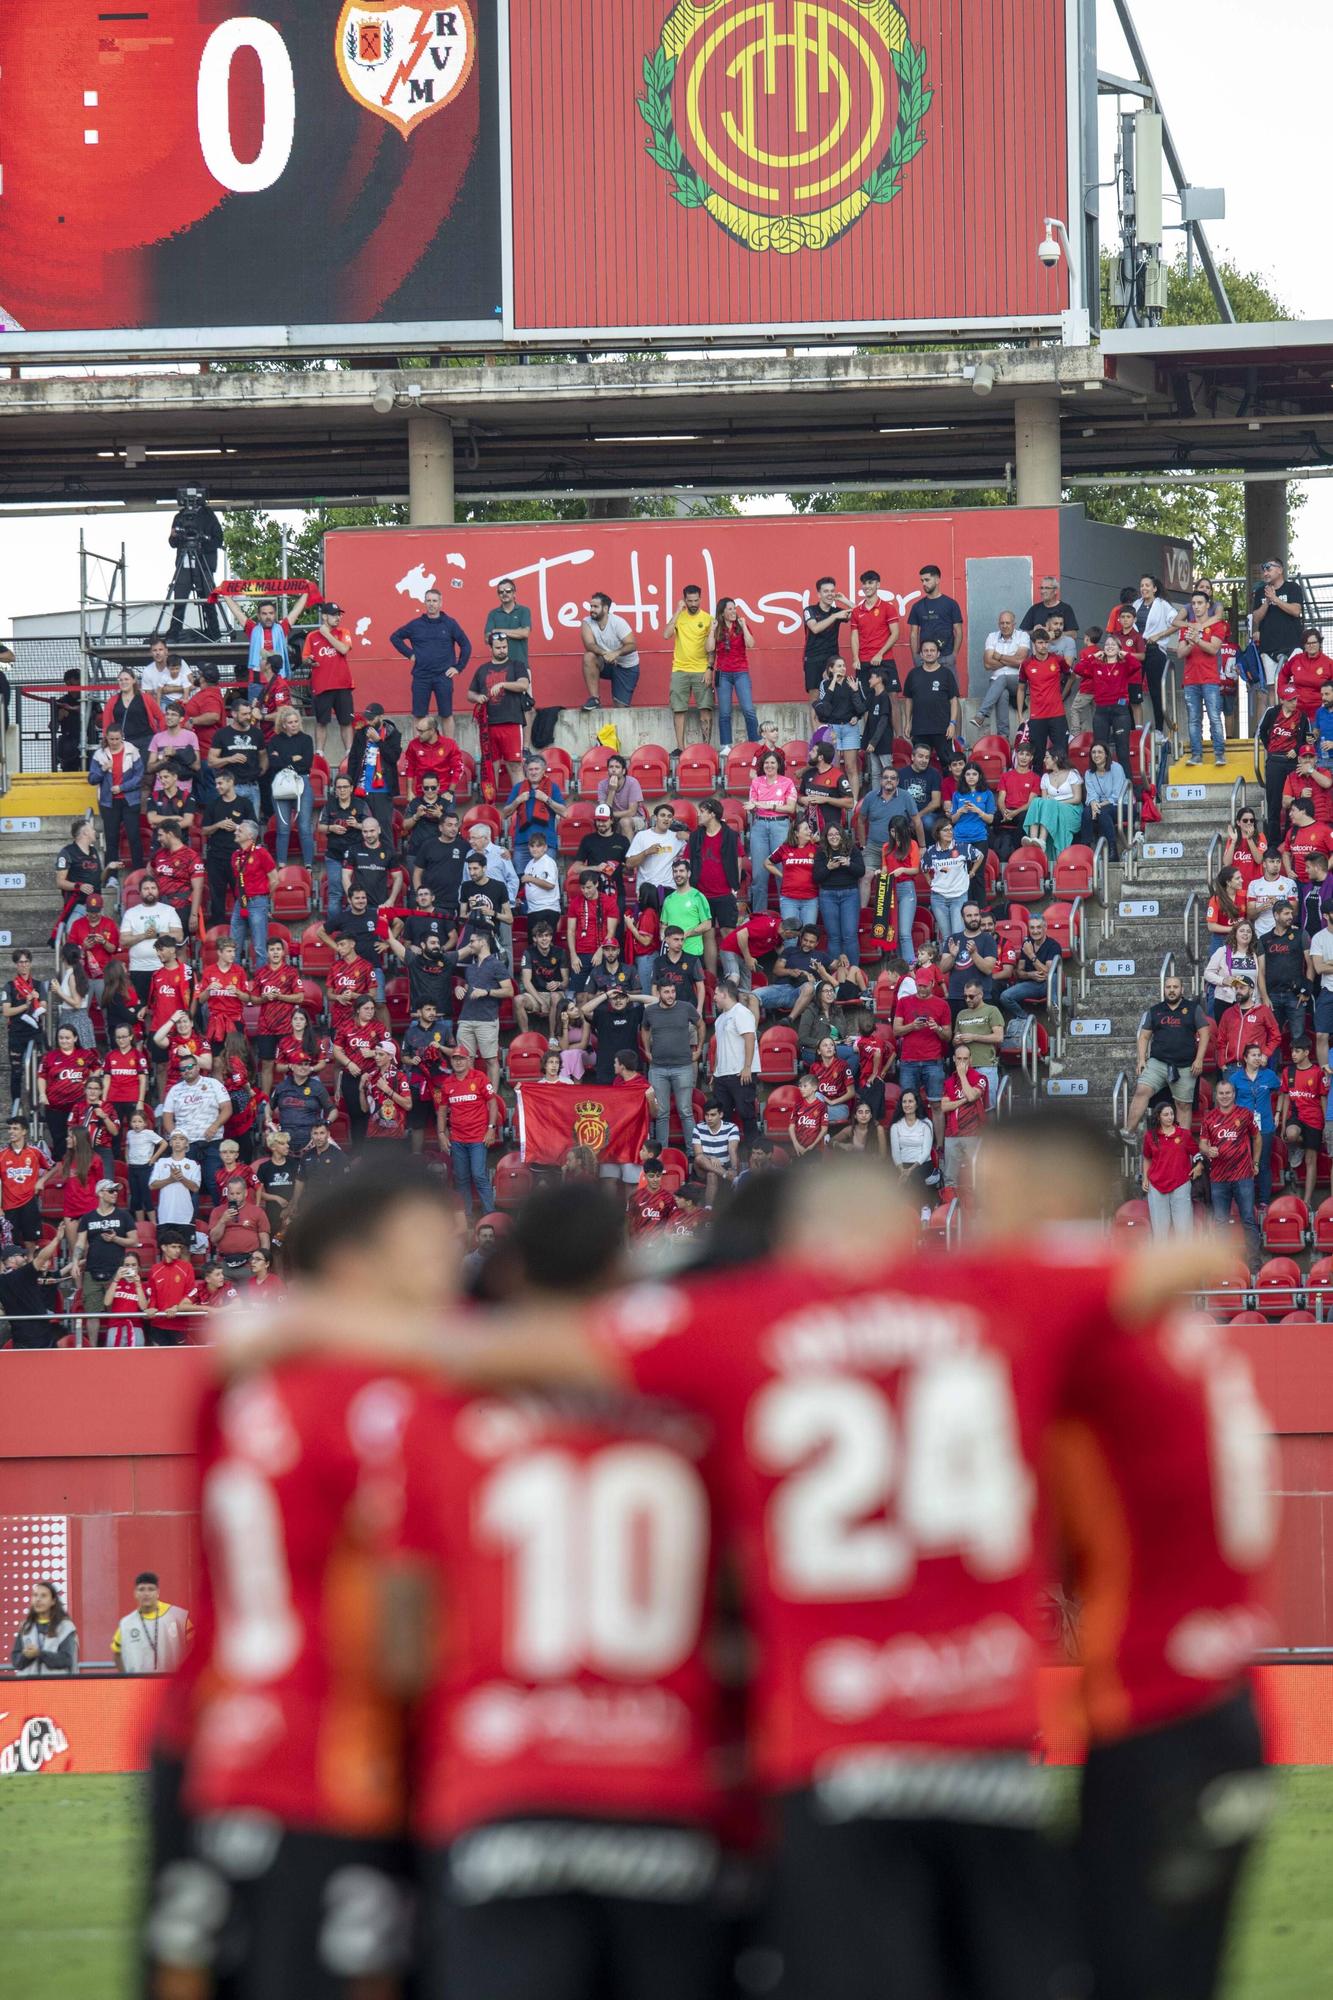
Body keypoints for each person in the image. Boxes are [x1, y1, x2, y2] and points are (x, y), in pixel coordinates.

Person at [970, 1114, 1275, 2000]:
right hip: (1210, 1699)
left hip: (1154, 1709)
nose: (979, 1215)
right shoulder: (1143, 1317)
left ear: (1045, 1191)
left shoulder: (1063, 1299)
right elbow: (1215, 1248)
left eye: (993, 1192)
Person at [1123, 973, 1212, 1137]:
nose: (1172, 990)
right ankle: (1129, 1132)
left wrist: (1199, 1059)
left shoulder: (1193, 1009)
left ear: (1182, 989)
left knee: (1183, 1105)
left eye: (1175, 987)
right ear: (1164, 990)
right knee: (1142, 1090)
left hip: (1185, 1065)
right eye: (1168, 987)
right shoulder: (1155, 1010)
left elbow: (1205, 1033)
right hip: (1158, 1063)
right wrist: (1141, 1059)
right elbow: (1143, 1036)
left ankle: (1182, 1143)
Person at [1198, 1077, 1261, 1264]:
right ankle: (1223, 1264)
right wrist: (1207, 1150)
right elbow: (1202, 1143)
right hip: (1218, 1178)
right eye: (1221, 1093)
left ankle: (1255, 1264)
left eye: (1228, 1093)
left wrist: (1255, 1163)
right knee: (1220, 1223)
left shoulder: (1245, 1114)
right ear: (1215, 1096)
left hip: (1243, 1176)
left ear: (1234, 1094)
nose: (1225, 1096)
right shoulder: (1209, 1118)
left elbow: (1257, 1138)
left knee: (1248, 1220)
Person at [432, 1045, 499, 1215]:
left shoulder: (480, 1078)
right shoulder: (447, 1084)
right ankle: (466, 1218)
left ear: (469, 1060)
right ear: (451, 1061)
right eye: (455, 1059)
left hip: (478, 1138)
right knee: (461, 1179)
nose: (459, 1062)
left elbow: (493, 1103)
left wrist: (491, 1128)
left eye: (462, 1058)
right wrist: (441, 1134)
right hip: (458, 1140)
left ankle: (490, 1216)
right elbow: (441, 1111)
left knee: (479, 1176)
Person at [391, 586, 472, 718]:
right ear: (425, 603)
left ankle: (449, 740)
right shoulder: (415, 625)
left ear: (440, 603)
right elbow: (395, 637)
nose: (431, 604)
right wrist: (409, 654)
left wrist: (458, 667)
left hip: (443, 676)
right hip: (421, 676)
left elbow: (466, 645)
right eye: (428, 601)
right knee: (418, 716)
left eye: (434, 601)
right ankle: (417, 740)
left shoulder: (450, 623)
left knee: (447, 715)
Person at [469, 629, 531, 796]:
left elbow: (524, 685)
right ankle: (490, 807)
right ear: (491, 649)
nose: (502, 650)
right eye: (498, 647)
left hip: (511, 721)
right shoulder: (482, 669)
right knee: (490, 766)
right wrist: (478, 697)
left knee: (515, 765)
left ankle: (522, 804)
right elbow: (470, 694)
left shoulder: (517, 665)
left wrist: (504, 684)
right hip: (488, 724)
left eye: (504, 647)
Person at [643, 981, 702, 1155]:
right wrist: (647, 1050)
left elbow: (700, 1024)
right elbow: (644, 1029)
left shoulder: (686, 1007)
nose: (670, 995)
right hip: (658, 1068)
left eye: (673, 991)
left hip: (683, 1067)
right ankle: (661, 1154)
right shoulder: (650, 1011)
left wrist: (698, 1049)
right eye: (666, 991)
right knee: (661, 1114)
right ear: (659, 993)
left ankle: (693, 1154)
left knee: (685, 1111)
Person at [1175, 588, 1228, 766]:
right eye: (1194, 604)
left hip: (1210, 679)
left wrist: (1196, 639)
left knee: (1214, 717)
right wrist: (1191, 643)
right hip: (1190, 680)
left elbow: (1214, 649)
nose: (1196, 607)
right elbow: (1180, 653)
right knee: (1193, 719)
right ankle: (1196, 755)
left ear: (1207, 605)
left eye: (1200, 603)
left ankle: (1219, 754)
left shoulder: (1217, 625)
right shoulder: (1187, 627)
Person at [666, 583, 715, 751]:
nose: (693, 604)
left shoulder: (708, 619)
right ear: (684, 600)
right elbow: (666, 634)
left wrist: (710, 668)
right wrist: (678, 611)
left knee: (706, 708)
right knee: (678, 710)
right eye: (689, 601)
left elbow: (712, 647)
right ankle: (680, 748)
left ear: (700, 599)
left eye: (696, 600)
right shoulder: (679, 616)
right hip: (679, 669)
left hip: (701, 669)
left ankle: (705, 748)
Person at [113, 1571, 193, 1675]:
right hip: (138, 1686)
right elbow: (117, 1653)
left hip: (172, 1685)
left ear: (158, 1592)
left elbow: (196, 1646)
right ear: (135, 1594)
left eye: (151, 1589)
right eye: (141, 1589)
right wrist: (125, 1678)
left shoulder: (179, 1617)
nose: (146, 1594)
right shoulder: (126, 1623)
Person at [1140, 1099, 1201, 1236]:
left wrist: (1199, 1166)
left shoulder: (1184, 1134)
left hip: (1180, 1184)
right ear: (1158, 1117)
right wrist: (1145, 1178)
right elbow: (1147, 1158)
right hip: (1156, 1185)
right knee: (1160, 1230)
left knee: (1184, 1228)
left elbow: (1197, 1153)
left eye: (1172, 1114)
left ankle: (1185, 1257)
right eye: (1166, 1114)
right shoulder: (1150, 1136)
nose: (1170, 1117)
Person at [266, 705, 317, 869]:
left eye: (296, 721)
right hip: (281, 783)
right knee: (283, 828)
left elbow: (306, 763)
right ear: (284, 724)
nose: (294, 725)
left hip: (302, 781)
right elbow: (273, 764)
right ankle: (281, 863)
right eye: (290, 722)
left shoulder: (306, 739)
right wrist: (293, 758)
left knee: (304, 827)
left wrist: (283, 759)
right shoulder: (275, 740)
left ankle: (308, 864)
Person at [89, 726, 145, 871]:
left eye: (117, 739)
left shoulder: (132, 750)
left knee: (134, 837)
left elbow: (139, 777)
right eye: (111, 739)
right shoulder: (99, 755)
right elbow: (92, 779)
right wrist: (103, 769)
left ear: (122, 737)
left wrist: (122, 787)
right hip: (109, 803)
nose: (114, 742)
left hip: (130, 800)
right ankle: (111, 875)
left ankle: (138, 870)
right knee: (111, 839)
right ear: (106, 738)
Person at [813, 655, 867, 799]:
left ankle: (853, 801)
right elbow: (824, 705)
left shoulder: (853, 681)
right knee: (834, 766)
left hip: (850, 727)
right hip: (833, 728)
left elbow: (862, 707)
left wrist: (858, 716)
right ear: (831, 669)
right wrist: (832, 682)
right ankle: (835, 799)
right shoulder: (825, 684)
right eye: (838, 666)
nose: (843, 668)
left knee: (851, 766)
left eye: (843, 665)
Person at [580, 589, 642, 710]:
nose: (592, 609)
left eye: (595, 606)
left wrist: (616, 653)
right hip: (606, 663)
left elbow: (632, 645)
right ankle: (595, 699)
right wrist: (605, 654)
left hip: (627, 667)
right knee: (589, 656)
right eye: (591, 606)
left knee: (619, 709)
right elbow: (589, 645)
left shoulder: (618, 622)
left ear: (605, 608)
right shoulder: (586, 622)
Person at [813, 821, 865, 964]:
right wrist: (828, 867)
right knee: (834, 936)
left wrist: (849, 864)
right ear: (826, 837)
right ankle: (834, 974)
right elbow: (816, 877)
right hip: (828, 895)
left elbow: (861, 871)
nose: (834, 837)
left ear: (842, 835)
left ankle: (854, 972)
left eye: (836, 834)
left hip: (850, 894)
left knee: (849, 936)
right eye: (830, 835)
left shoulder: (852, 849)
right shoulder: (821, 852)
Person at [1250, 557, 1307, 686]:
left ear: (1280, 569)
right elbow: (1256, 618)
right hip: (1268, 646)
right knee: (1272, 686)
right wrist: (1267, 602)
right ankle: (1275, 707)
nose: (1265, 573)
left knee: (1293, 685)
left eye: (1269, 569)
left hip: (1292, 645)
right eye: (1264, 570)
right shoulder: (1261, 592)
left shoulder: (1292, 587)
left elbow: (1296, 611)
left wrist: (1275, 599)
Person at [711, 978, 757, 1137]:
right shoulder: (719, 1019)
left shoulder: (741, 1012)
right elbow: (719, 1048)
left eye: (716, 994)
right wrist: (715, 1072)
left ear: (724, 995)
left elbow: (750, 1038)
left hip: (740, 1073)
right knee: (723, 1119)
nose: (714, 998)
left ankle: (754, 1155)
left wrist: (747, 1067)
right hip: (722, 1076)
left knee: (747, 1114)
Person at [901, 637, 959, 762]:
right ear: (921, 654)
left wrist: (952, 723)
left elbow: (953, 700)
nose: (929, 653)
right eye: (925, 651)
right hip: (919, 729)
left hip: (942, 729)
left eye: (932, 650)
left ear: (938, 653)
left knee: (947, 764)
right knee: (920, 765)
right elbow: (909, 699)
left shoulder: (947, 674)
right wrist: (907, 722)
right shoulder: (913, 674)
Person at [1016, 626, 1068, 766]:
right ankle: (1038, 786)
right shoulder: (1026, 664)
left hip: (1057, 714)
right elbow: (1021, 689)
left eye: (1046, 642)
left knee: (1061, 754)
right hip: (1037, 716)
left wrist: (1062, 695)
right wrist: (1020, 714)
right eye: (1040, 642)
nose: (1044, 645)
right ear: (1034, 644)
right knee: (1038, 756)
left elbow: (1071, 676)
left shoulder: (1058, 660)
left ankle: (1063, 785)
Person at [974, 610, 1029, 741]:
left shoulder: (1022, 636)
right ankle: (1003, 736)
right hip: (996, 682)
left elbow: (1021, 662)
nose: (1005, 626)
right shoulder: (992, 636)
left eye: (1008, 623)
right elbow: (987, 664)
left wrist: (998, 657)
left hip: (1018, 681)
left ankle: (982, 714)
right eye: (1002, 623)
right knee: (1002, 692)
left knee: (1003, 678)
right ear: (998, 624)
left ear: (1014, 624)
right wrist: (1011, 660)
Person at [713, 596, 760, 746]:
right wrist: (711, 631)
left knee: (748, 709)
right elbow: (708, 648)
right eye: (730, 609)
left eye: (734, 609)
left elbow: (751, 644)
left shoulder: (740, 626)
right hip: (723, 673)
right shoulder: (717, 627)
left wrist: (744, 626)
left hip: (741, 671)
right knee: (724, 712)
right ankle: (726, 745)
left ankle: (755, 741)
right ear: (722, 612)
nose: (734, 612)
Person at [801, 575, 852, 710]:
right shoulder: (809, 610)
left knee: (834, 694)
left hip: (832, 659)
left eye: (832, 591)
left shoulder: (837, 611)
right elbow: (815, 628)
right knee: (815, 697)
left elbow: (862, 613)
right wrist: (834, 617)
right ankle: (817, 732)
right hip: (813, 659)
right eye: (826, 591)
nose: (830, 594)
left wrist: (845, 601)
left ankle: (833, 730)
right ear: (819, 594)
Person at [940, 1040, 988, 1186]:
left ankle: (979, 1207)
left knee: (977, 1175)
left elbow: (973, 1096)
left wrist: (962, 1076)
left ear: (971, 1060)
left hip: (973, 1133)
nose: (962, 1063)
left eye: (965, 1059)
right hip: (952, 1134)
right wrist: (962, 1101)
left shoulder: (980, 1078)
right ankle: (951, 1206)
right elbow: (944, 1106)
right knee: (950, 1178)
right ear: (954, 1059)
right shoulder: (949, 1082)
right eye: (959, 1059)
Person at [627, 799, 688, 912]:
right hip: (647, 890)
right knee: (649, 925)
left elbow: (700, 846)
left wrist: (689, 836)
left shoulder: (677, 837)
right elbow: (629, 864)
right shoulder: (642, 836)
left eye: (669, 816)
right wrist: (646, 852)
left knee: (666, 926)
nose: (666, 819)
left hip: (669, 889)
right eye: (663, 815)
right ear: (655, 818)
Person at [1023, 747, 1083, 859]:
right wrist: (1052, 803)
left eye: (1047, 757)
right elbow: (1044, 801)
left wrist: (1057, 802)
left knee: (1050, 803)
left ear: (1055, 759)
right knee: (1037, 801)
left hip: (1071, 809)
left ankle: (1042, 840)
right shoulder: (1045, 777)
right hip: (1051, 811)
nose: (1044, 760)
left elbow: (1077, 798)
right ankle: (1033, 840)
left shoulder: (1072, 773)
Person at [11, 1580, 79, 1676]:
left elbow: (66, 1659)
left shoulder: (66, 1627)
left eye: (43, 1596)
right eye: (35, 1595)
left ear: (53, 1601)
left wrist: (39, 1654)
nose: (38, 1599)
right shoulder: (25, 1626)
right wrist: (25, 1655)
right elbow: (16, 1662)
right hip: (28, 1688)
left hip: (55, 1687)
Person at [907, 560, 964, 671]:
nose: (924, 583)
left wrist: (953, 655)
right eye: (922, 580)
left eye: (927, 580)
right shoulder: (917, 606)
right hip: (924, 660)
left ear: (937, 580)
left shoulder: (951, 604)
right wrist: (916, 657)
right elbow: (914, 634)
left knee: (951, 689)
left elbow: (958, 631)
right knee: (924, 689)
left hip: (946, 658)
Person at [1082, 740, 1130, 855]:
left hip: (1122, 805)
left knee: (1102, 812)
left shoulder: (1116, 768)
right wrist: (1093, 803)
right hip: (1101, 806)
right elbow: (1091, 794)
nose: (1096, 755)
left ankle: (1113, 850)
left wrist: (1097, 805)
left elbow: (1117, 795)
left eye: (1099, 752)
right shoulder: (1089, 773)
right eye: (1093, 752)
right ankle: (1086, 848)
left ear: (1106, 754)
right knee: (1086, 812)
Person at [1020, 574, 1079, 644]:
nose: (1043, 591)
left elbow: (1074, 634)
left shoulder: (1066, 608)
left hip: (1060, 652)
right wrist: (1035, 631)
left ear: (1055, 590)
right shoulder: (1035, 609)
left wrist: (1054, 634)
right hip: (1038, 652)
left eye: (1047, 588)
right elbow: (1023, 633)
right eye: (1042, 588)